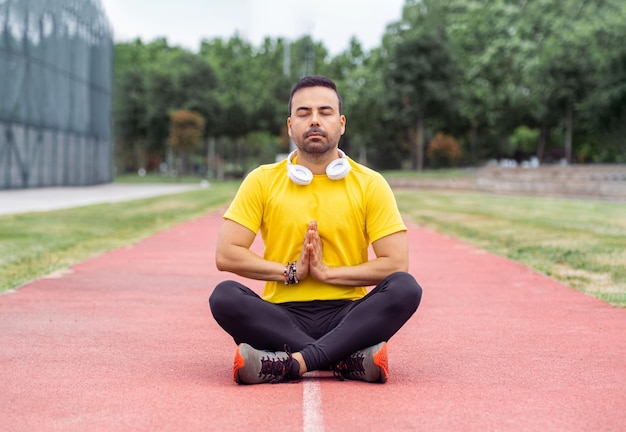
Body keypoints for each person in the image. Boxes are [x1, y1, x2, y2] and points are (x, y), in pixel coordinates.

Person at [209, 75, 422, 385]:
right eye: (304, 112)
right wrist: (291, 271)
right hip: (280, 315)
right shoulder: (261, 180)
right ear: (290, 125)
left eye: (325, 111)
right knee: (224, 296)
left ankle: (290, 364)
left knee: (405, 287)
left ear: (341, 123)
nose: (315, 121)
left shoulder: (370, 183)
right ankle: (345, 360)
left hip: (349, 316)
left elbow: (395, 263)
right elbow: (226, 254)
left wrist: (327, 273)